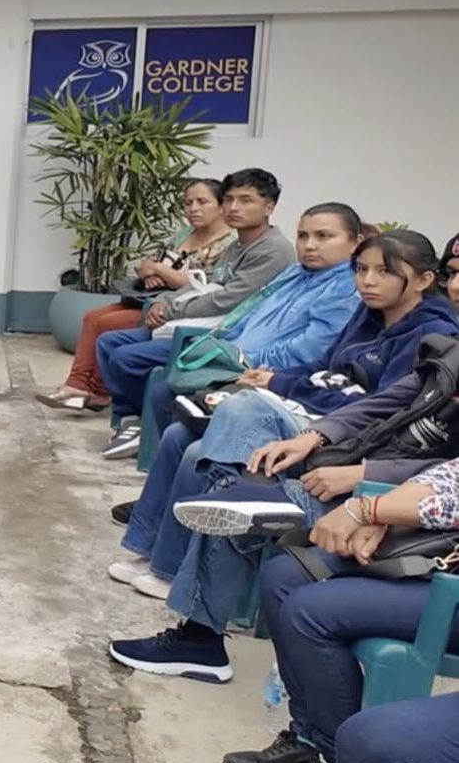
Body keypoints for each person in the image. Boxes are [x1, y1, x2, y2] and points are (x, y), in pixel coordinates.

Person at [105, 231, 456, 679]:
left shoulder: (434, 332)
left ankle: (200, 633)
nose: (368, 281)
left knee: (227, 463)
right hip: (347, 450)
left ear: (424, 280)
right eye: (363, 269)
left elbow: (438, 455)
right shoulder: (439, 351)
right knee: (216, 454)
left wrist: (364, 475)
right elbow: (380, 403)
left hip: (390, 498)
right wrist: (316, 435)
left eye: (385, 272)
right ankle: (196, 601)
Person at [218, 460, 459, 763]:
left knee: (311, 612)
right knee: (284, 575)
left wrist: (364, 509)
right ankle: (308, 738)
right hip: (436, 547)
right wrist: (381, 517)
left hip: (450, 590)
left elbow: (446, 501)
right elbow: (446, 477)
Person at [96, 168, 298, 459]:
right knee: (109, 342)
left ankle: (142, 424)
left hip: (222, 334)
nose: (234, 208)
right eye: (228, 200)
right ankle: (131, 420)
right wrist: (161, 302)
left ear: (269, 207)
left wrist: (171, 309)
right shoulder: (238, 244)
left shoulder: (272, 250)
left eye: (246, 200)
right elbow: (201, 282)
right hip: (197, 320)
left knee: (126, 357)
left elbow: (229, 300)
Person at [40, 177, 236, 412]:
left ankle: (101, 393)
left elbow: (199, 284)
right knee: (92, 317)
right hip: (150, 298)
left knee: (108, 324)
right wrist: (150, 274)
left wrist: (161, 270)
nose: (193, 208)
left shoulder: (229, 244)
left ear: (221, 204)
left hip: (176, 311)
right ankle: (78, 385)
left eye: (202, 202)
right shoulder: (184, 234)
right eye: (187, 203)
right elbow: (144, 264)